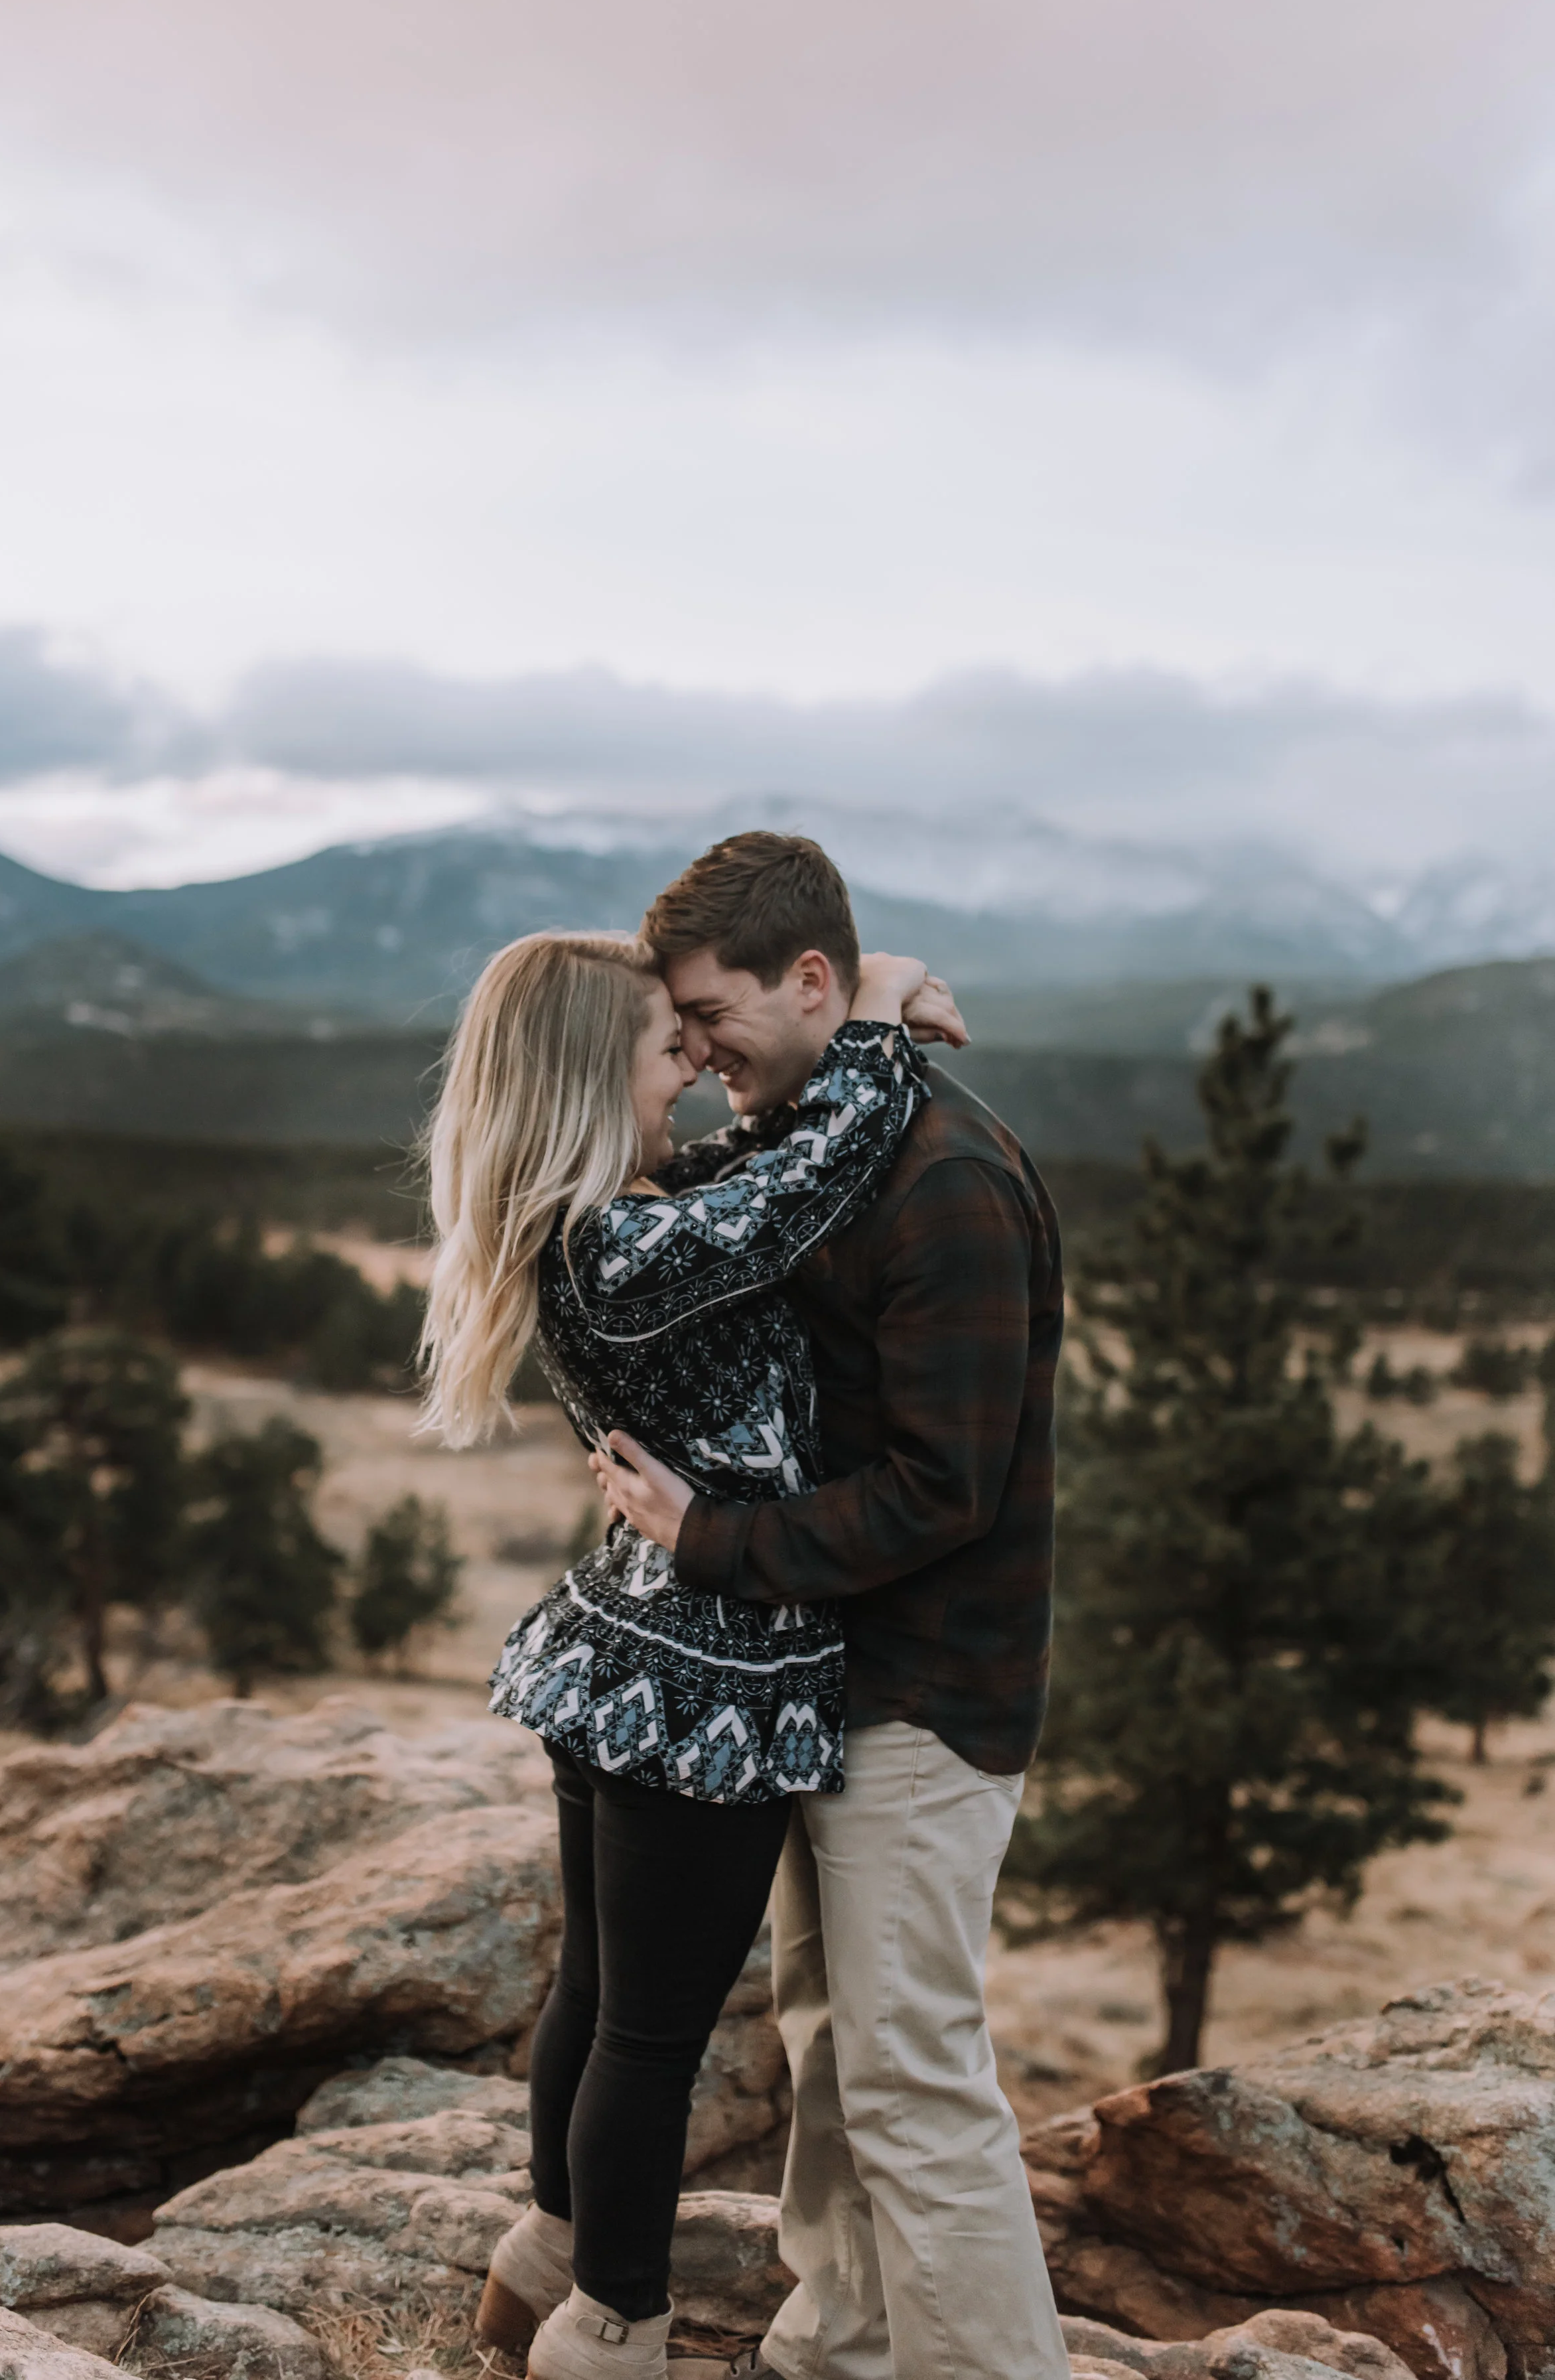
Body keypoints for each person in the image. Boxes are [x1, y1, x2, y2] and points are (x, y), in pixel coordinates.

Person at [419, 927, 959, 2380]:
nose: (696, 1074)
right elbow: (808, 1178)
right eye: (671, 1051)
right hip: (700, 1687)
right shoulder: (623, 1249)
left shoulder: (600, 1220)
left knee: (599, 1995)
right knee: (650, 2035)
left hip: (625, 1654)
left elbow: (759, 1168)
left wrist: (846, 1035)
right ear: (594, 1078)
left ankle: (550, 2255)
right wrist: (876, 1010)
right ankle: (613, 2325)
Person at [592, 831, 1070, 2380]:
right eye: (676, 1026)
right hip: (823, 1676)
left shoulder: (946, 1184)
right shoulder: (814, 1136)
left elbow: (943, 1489)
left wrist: (712, 1539)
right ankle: (839, 2343)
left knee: (911, 2071)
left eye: (709, 1015)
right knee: (825, 2038)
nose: (693, 1053)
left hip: (925, 1692)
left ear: (808, 980)